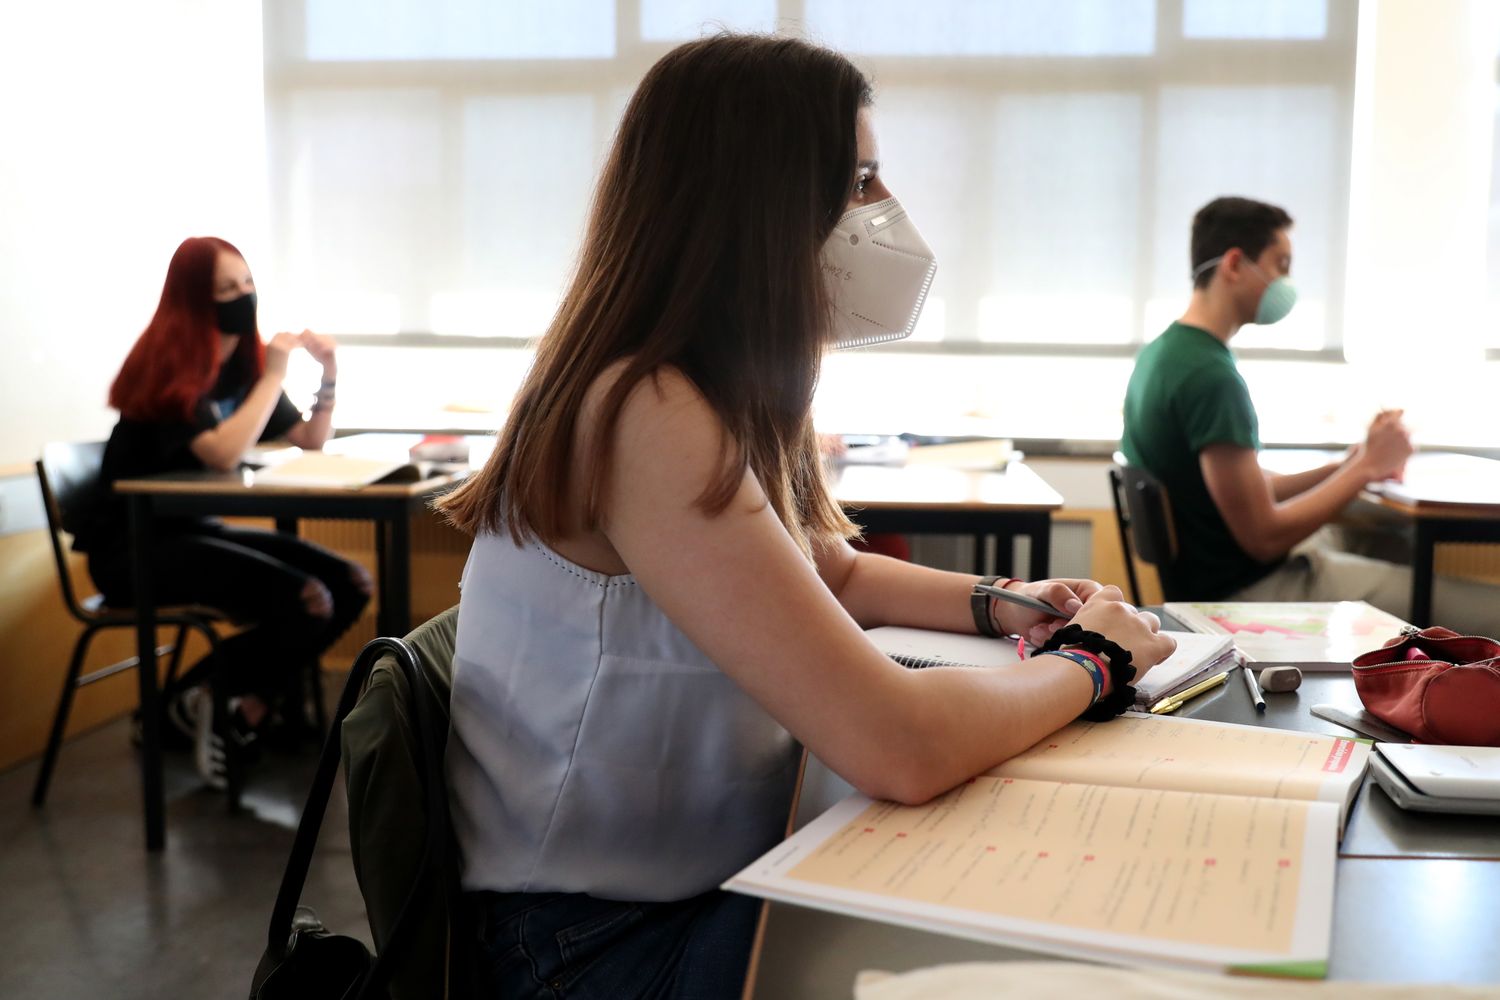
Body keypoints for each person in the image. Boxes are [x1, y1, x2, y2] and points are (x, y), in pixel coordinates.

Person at [438, 34, 1175, 999]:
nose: (885, 207)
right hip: (592, 948)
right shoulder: (642, 409)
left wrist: (1005, 600)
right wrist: (1095, 660)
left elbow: (834, 571)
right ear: (761, 204)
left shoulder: (703, 389)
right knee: (1042, 925)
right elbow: (899, 746)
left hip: (671, 896)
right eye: (861, 179)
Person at [72, 236, 372, 782]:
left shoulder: (244, 365)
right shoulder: (167, 364)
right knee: (304, 597)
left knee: (350, 583)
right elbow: (222, 452)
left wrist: (328, 372)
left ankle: (221, 705)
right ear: (194, 299)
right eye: (227, 289)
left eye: (248, 283)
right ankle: (204, 702)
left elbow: (309, 439)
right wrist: (275, 375)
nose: (244, 296)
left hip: (194, 531)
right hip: (130, 550)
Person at [1122, 196, 1495, 633]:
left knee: (1389, 541)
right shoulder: (1210, 376)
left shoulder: (1165, 354)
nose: (1287, 281)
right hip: (1248, 592)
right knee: (1486, 606)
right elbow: (1263, 538)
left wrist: (1353, 463)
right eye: (1281, 264)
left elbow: (1251, 490)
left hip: (1219, 577)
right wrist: (1366, 468)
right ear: (1235, 264)